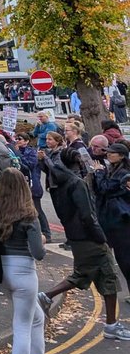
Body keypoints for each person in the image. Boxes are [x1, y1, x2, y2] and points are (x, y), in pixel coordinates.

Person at [37, 148, 130, 339]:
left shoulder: (58, 181)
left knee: (96, 276)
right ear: (77, 162)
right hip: (89, 237)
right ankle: (46, 296)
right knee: (99, 276)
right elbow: (87, 215)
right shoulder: (76, 183)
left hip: (76, 236)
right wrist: (100, 237)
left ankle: (111, 324)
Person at [0, 168, 47, 354]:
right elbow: (38, 253)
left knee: (37, 318)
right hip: (24, 272)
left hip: (0, 271)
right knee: (22, 327)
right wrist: (42, 240)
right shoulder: (28, 214)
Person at [92, 141, 130, 298]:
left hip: (120, 222)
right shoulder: (112, 170)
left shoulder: (124, 174)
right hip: (111, 220)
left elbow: (105, 188)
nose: (108, 154)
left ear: (121, 156)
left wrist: (99, 173)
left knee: (125, 259)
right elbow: (99, 190)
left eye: (112, 152)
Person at [13, 132, 51, 243]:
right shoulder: (15, 151)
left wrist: (18, 154)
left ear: (26, 141)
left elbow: (30, 165)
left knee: (37, 209)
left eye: (20, 139)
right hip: (22, 185)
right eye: (16, 138)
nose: (17, 141)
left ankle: (46, 233)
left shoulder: (31, 152)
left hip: (33, 185)